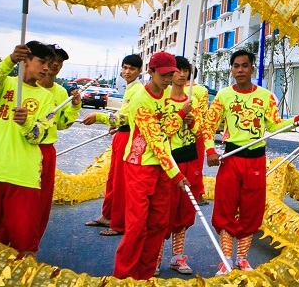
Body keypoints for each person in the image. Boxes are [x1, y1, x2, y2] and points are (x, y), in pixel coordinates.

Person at [203, 49, 299, 275]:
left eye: (245, 65)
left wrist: (296, 121)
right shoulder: (223, 96)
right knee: (225, 208)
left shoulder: (266, 96)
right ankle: (225, 259)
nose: (240, 70)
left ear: (253, 68)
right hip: (231, 158)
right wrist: (210, 150)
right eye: (236, 66)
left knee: (251, 211)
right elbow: (207, 126)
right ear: (231, 69)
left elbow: (273, 126)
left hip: (255, 161)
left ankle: (242, 259)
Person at [0, 41, 58, 257]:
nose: (46, 67)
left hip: (24, 178)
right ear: (26, 60)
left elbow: (41, 134)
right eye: (42, 62)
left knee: (25, 246)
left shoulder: (46, 97)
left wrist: (26, 123)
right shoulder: (4, 85)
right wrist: (9, 60)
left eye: (49, 63)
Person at [113, 51, 188, 280]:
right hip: (140, 166)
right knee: (136, 226)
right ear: (151, 72)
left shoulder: (165, 95)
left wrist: (180, 117)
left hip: (162, 168)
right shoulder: (141, 99)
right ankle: (124, 277)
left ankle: (145, 276)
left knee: (158, 225)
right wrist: (177, 174)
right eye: (163, 74)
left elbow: (166, 129)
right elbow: (155, 140)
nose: (168, 79)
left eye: (171, 74)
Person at [82, 54, 144, 236]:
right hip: (122, 135)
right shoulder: (130, 88)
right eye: (125, 68)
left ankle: (119, 223)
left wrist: (99, 117)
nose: (127, 71)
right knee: (113, 178)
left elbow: (124, 117)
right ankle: (107, 215)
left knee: (121, 181)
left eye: (132, 69)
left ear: (140, 71)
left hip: (128, 139)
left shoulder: (138, 90)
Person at [161, 56, 207, 275]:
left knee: (185, 210)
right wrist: (180, 115)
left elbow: (200, 132)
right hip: (168, 162)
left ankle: (177, 257)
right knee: (163, 211)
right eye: (177, 70)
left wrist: (193, 122)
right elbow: (161, 133)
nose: (181, 74)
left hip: (189, 159)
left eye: (185, 70)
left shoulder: (194, 101)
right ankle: (155, 257)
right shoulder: (162, 101)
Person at [36, 44, 82, 244]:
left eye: (60, 61)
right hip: (21, 149)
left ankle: (31, 243)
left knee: (41, 200)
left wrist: (75, 106)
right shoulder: (26, 86)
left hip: (46, 149)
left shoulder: (61, 92)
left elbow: (63, 124)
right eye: (52, 58)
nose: (55, 63)